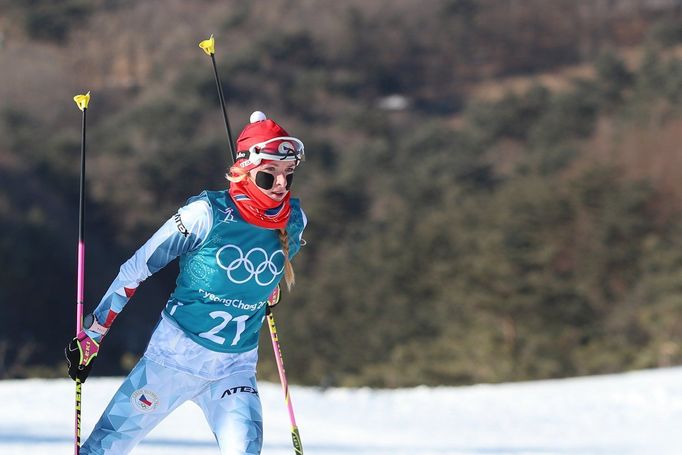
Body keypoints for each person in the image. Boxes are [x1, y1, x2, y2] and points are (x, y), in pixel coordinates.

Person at [65, 111, 307, 455]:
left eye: (288, 175)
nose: (281, 185)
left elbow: (271, 273)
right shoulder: (206, 214)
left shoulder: (294, 219)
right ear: (244, 171)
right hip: (173, 360)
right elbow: (136, 269)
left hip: (234, 370)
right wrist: (93, 334)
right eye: (269, 177)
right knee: (103, 449)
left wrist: (266, 290)